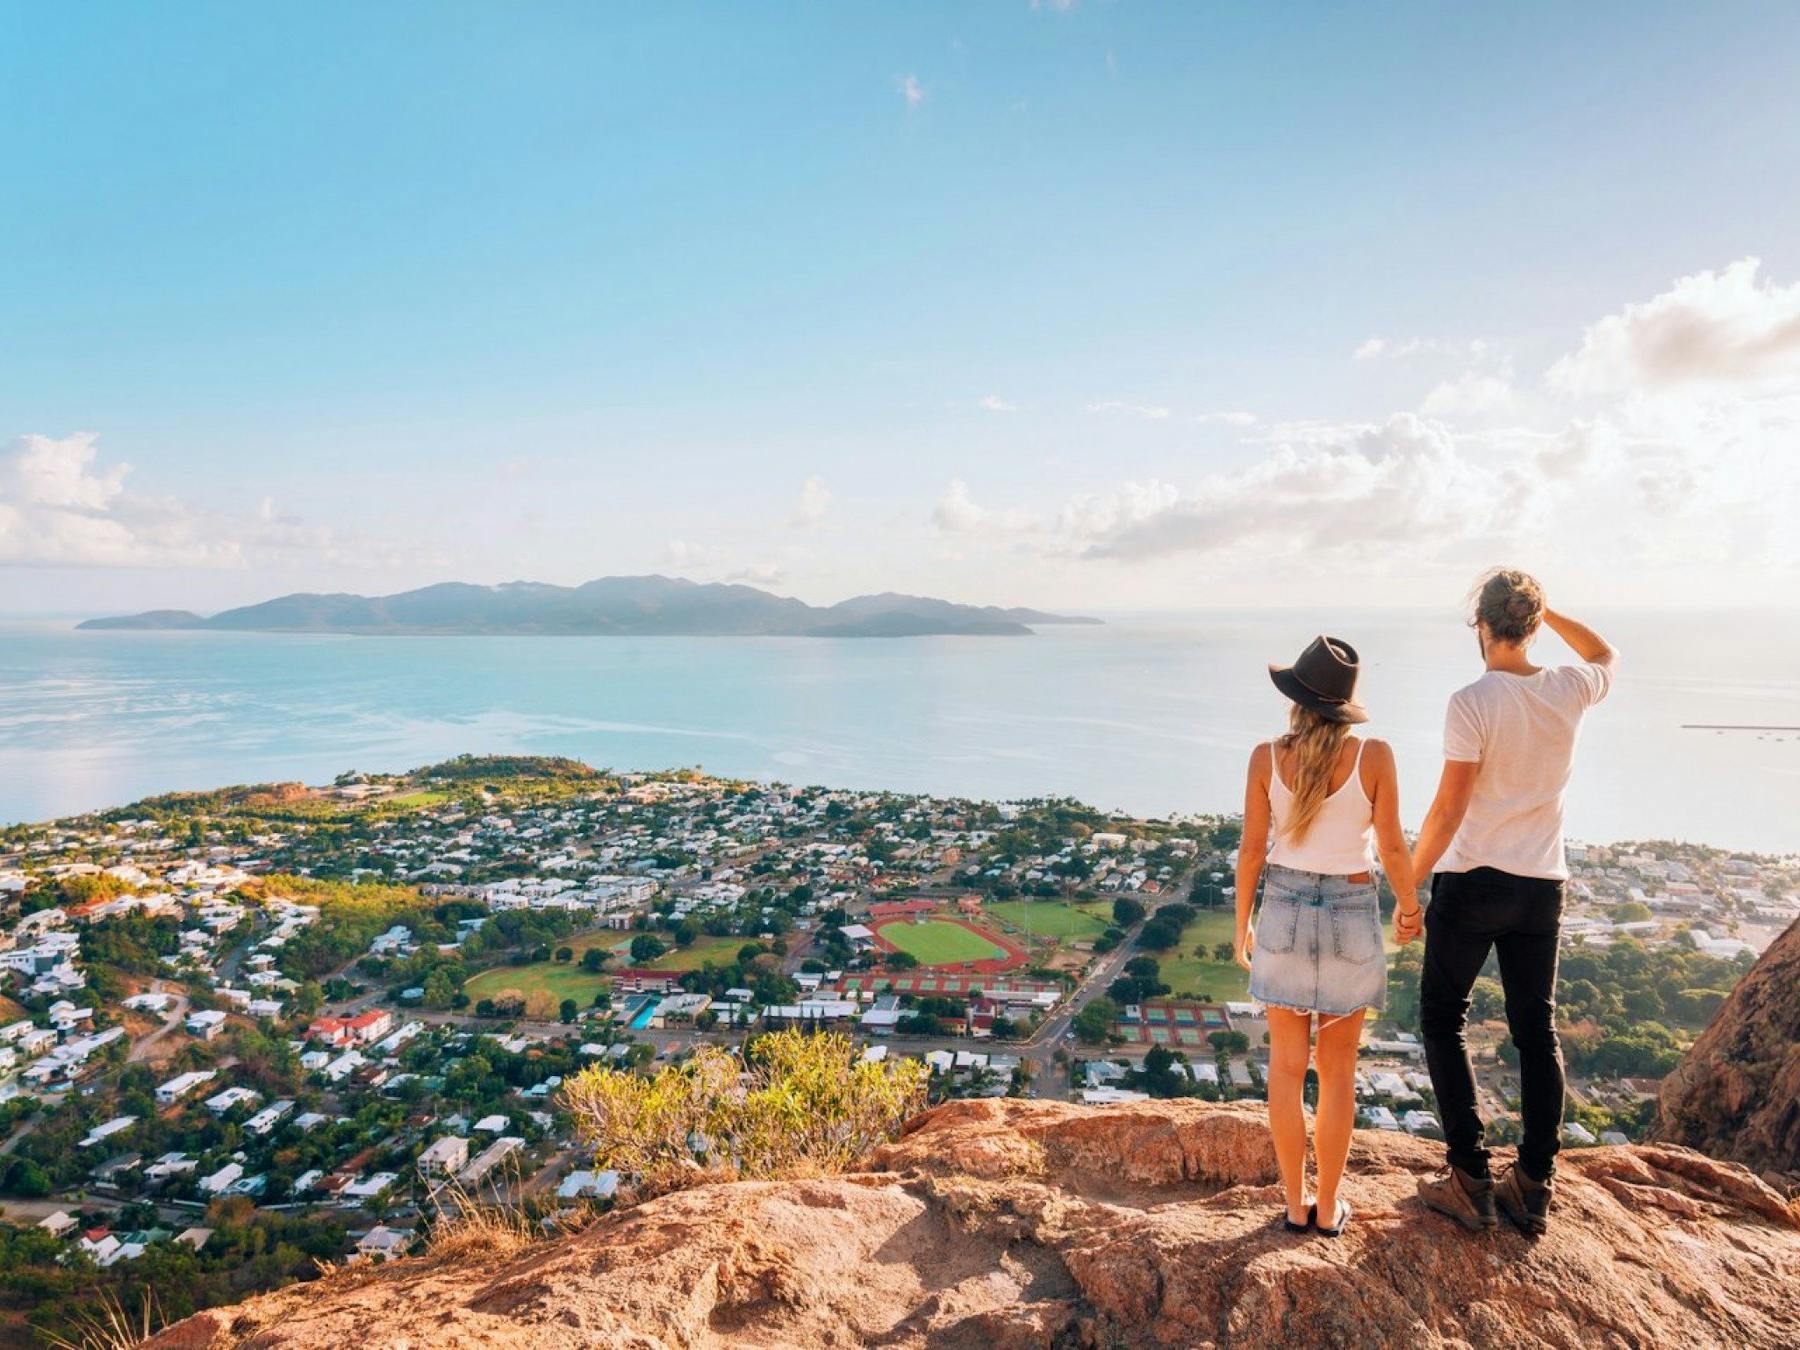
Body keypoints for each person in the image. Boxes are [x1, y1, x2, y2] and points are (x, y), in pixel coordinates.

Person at [1411, 570, 1616, 1237]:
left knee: (1444, 1020)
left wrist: (1410, 883)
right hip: (1540, 887)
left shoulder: (1471, 700)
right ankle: (1532, 1184)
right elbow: (1606, 654)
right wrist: (1551, 615)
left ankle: (1470, 1178)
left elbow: (1449, 807)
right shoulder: (1568, 687)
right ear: (1530, 624)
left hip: (1472, 880)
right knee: (1537, 1033)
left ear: (1481, 625)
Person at [1235, 635, 1422, 1237]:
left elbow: (1252, 849)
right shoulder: (1374, 756)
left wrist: (1243, 922)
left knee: (1287, 1069)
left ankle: (1294, 1204)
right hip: (1349, 907)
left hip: (1285, 908)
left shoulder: (1267, 757)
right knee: (1338, 1072)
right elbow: (1391, 845)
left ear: (1295, 699)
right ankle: (1330, 1205)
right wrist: (1410, 906)